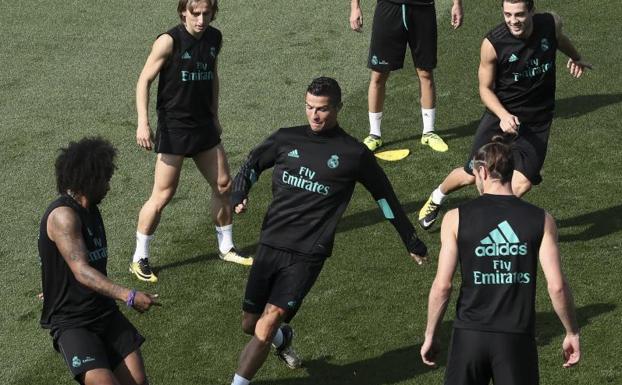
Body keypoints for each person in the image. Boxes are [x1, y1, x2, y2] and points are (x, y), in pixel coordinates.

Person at [227, 77, 428, 385]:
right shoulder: (286, 139)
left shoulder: (353, 154)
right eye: (309, 107)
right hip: (270, 244)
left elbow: (385, 198)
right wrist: (240, 193)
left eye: (321, 109)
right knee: (250, 324)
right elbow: (251, 165)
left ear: (338, 108)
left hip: (307, 255)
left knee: (264, 328)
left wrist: (410, 239)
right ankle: (285, 338)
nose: (314, 116)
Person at [418, 0, 592, 230]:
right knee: (472, 175)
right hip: (499, 117)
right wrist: (502, 115)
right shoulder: (494, 43)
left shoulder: (550, 23)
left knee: (521, 185)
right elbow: (484, 88)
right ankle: (438, 196)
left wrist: (576, 56)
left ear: (532, 11)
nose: (513, 21)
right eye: (507, 14)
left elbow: (559, 38)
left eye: (519, 14)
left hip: (537, 121)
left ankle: (481, 222)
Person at [420, 138, 580, 385]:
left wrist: (431, 333)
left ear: (483, 171)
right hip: (516, 339)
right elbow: (557, 286)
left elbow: (443, 286)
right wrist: (571, 331)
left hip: (469, 337)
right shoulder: (540, 219)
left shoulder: (455, 218)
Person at [131, 0, 251, 283]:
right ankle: (139, 258)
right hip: (175, 127)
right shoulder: (168, 41)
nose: (200, 20)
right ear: (183, 12)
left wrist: (215, 114)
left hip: (204, 126)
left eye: (206, 14)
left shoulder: (214, 38)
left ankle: (226, 247)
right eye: (195, 14)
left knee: (223, 184)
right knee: (163, 195)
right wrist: (143, 122)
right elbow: (143, 81)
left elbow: (213, 77)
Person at [39, 137, 159, 385]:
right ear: (89, 180)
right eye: (105, 179)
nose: (108, 186)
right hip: (74, 323)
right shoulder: (64, 216)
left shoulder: (91, 211)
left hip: (104, 312)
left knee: (138, 382)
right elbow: (81, 270)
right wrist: (128, 294)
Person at [349, 0, 464, 152]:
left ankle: (429, 132)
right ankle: (374, 134)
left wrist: (457, 4)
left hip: (423, 9)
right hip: (389, 7)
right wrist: (355, 7)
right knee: (378, 75)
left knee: (425, 72)